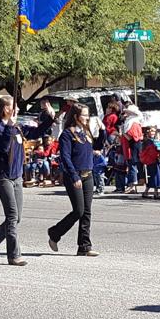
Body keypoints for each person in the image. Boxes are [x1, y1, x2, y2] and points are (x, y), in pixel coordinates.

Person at [0, 96, 54, 266]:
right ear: (6, 109)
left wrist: (50, 118)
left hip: (17, 176)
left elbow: (37, 132)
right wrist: (9, 127)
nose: (18, 109)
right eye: (14, 106)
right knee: (12, 216)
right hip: (3, 177)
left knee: (17, 218)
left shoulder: (18, 128)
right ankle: (14, 256)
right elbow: (5, 147)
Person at [47, 103, 100, 257]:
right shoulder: (67, 134)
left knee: (87, 212)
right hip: (74, 176)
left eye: (88, 115)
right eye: (84, 115)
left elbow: (96, 146)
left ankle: (84, 246)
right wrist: (74, 175)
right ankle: (55, 233)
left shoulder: (86, 132)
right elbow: (65, 157)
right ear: (76, 116)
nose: (87, 117)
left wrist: (102, 131)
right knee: (78, 210)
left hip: (88, 175)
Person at [120, 105, 144, 194]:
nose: (126, 114)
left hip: (133, 147)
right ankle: (132, 185)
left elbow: (131, 137)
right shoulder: (130, 122)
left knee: (132, 165)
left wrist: (123, 132)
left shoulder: (133, 123)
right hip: (131, 146)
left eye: (128, 112)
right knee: (131, 165)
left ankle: (132, 185)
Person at [140, 126, 160, 199]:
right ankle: (155, 192)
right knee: (155, 175)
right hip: (151, 160)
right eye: (151, 131)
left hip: (151, 160)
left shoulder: (149, 141)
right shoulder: (149, 141)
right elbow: (152, 151)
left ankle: (146, 191)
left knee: (153, 176)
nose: (153, 132)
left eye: (154, 131)